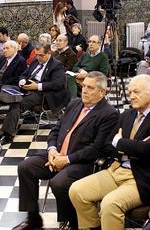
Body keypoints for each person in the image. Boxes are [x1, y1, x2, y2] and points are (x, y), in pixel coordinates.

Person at [69, 74, 150, 230]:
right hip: (116, 169)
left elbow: (146, 150)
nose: (131, 96)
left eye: (136, 92)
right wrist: (133, 146)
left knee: (109, 204)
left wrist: (120, 142)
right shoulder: (128, 114)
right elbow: (108, 144)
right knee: (77, 191)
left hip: (142, 177)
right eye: (130, 92)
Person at [11, 72, 119, 230]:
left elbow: (97, 149)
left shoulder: (109, 114)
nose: (84, 90)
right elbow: (56, 129)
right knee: (26, 167)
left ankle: (70, 221)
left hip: (83, 162)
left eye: (90, 88)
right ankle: (33, 219)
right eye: (84, 86)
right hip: (59, 153)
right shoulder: (74, 103)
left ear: (102, 92)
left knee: (59, 183)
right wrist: (52, 149)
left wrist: (67, 159)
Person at [0, 42, 70, 145]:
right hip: (28, 87)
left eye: (41, 55)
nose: (38, 58)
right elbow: (24, 74)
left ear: (49, 53)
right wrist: (22, 81)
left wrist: (37, 86)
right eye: (37, 54)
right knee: (4, 88)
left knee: (17, 104)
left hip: (43, 93)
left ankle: (7, 135)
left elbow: (58, 84)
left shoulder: (56, 65)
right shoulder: (36, 61)